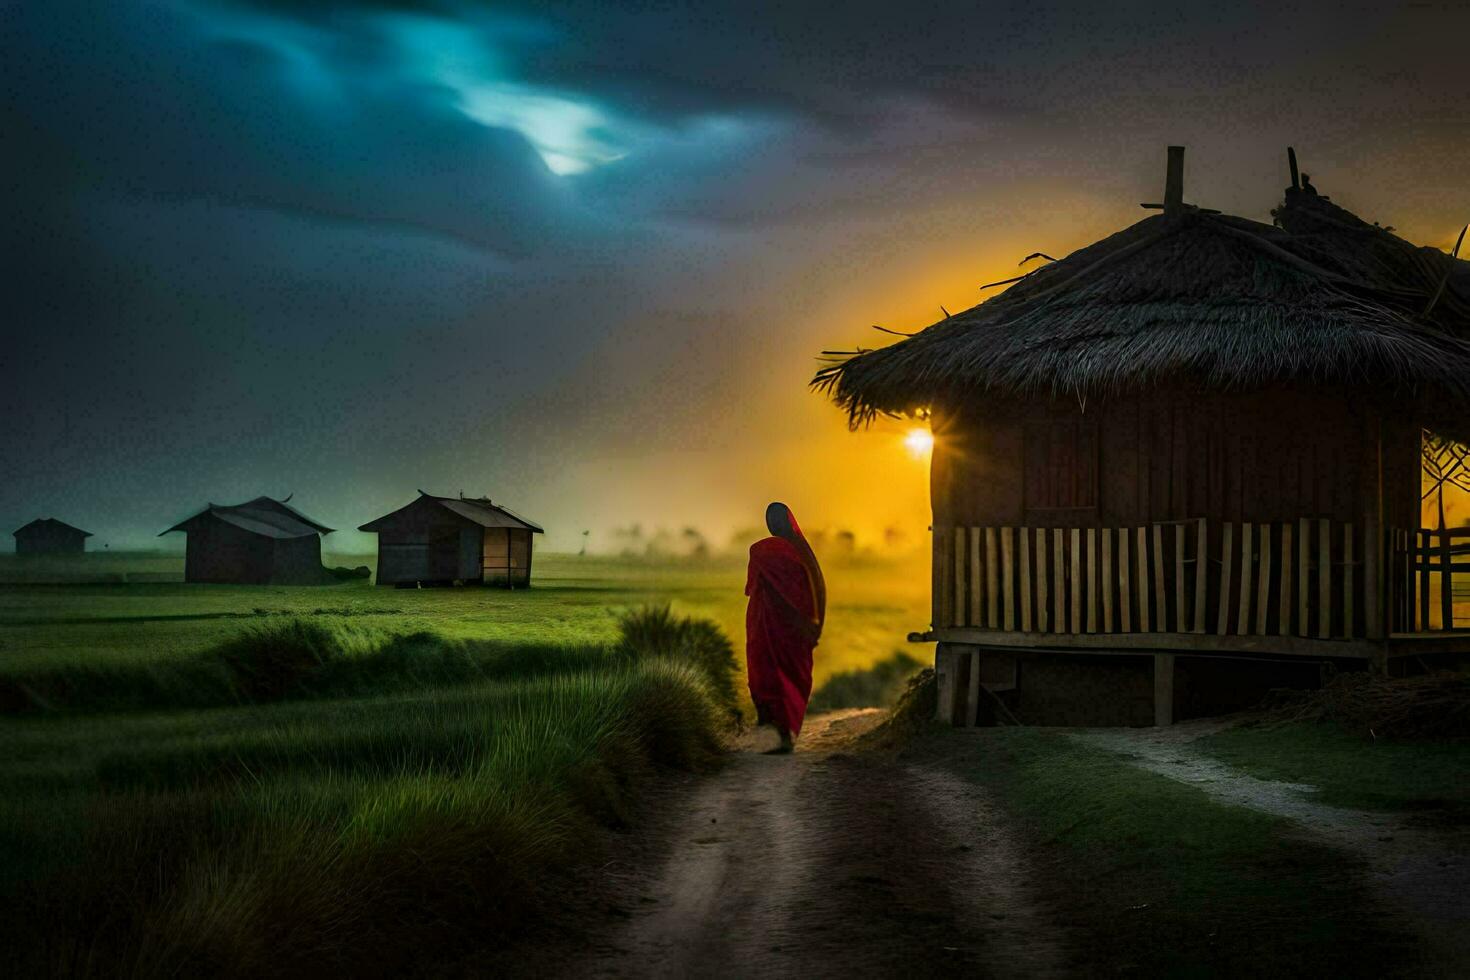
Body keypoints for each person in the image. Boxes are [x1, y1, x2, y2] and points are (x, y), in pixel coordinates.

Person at [744, 501, 826, 754]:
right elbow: (818, 591)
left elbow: (750, 588)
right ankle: (785, 735)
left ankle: (770, 734)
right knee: (790, 678)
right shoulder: (803, 552)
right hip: (796, 629)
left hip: (764, 625)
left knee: (765, 676)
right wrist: (815, 627)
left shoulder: (759, 550)